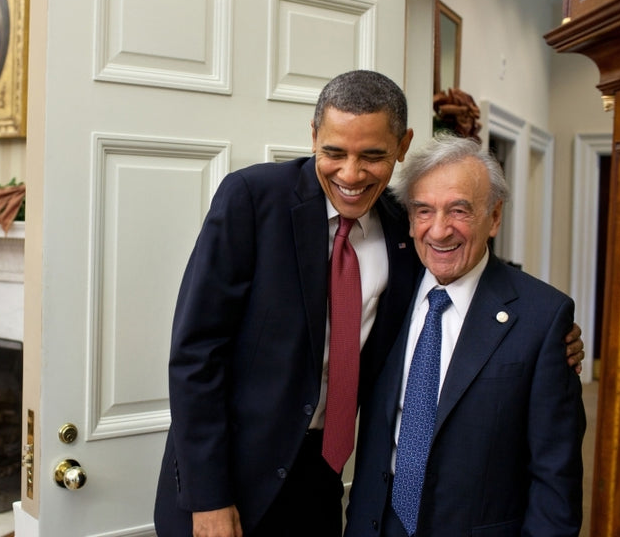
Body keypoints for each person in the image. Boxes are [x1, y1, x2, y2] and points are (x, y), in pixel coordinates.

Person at [153, 71, 583, 537]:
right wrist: (210, 498)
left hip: (320, 484)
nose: (351, 174)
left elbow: (462, 269)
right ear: (314, 135)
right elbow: (196, 354)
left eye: (373, 156)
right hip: (225, 480)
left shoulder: (404, 227)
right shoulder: (253, 201)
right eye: (334, 152)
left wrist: (543, 331)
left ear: (402, 145)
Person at [343, 133, 585, 537]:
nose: (439, 231)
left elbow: (555, 480)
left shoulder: (543, 318)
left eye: (459, 211)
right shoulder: (383, 294)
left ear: (494, 216)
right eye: (423, 211)